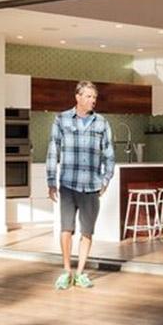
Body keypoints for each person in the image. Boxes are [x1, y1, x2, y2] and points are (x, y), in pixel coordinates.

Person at [45, 80, 115, 290]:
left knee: (87, 232)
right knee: (66, 229)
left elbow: (109, 154)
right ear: (78, 97)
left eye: (94, 97)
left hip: (91, 186)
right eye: (88, 96)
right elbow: (52, 152)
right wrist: (51, 181)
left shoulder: (102, 123)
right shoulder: (61, 120)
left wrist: (106, 178)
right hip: (68, 184)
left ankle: (81, 272)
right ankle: (67, 271)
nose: (92, 100)